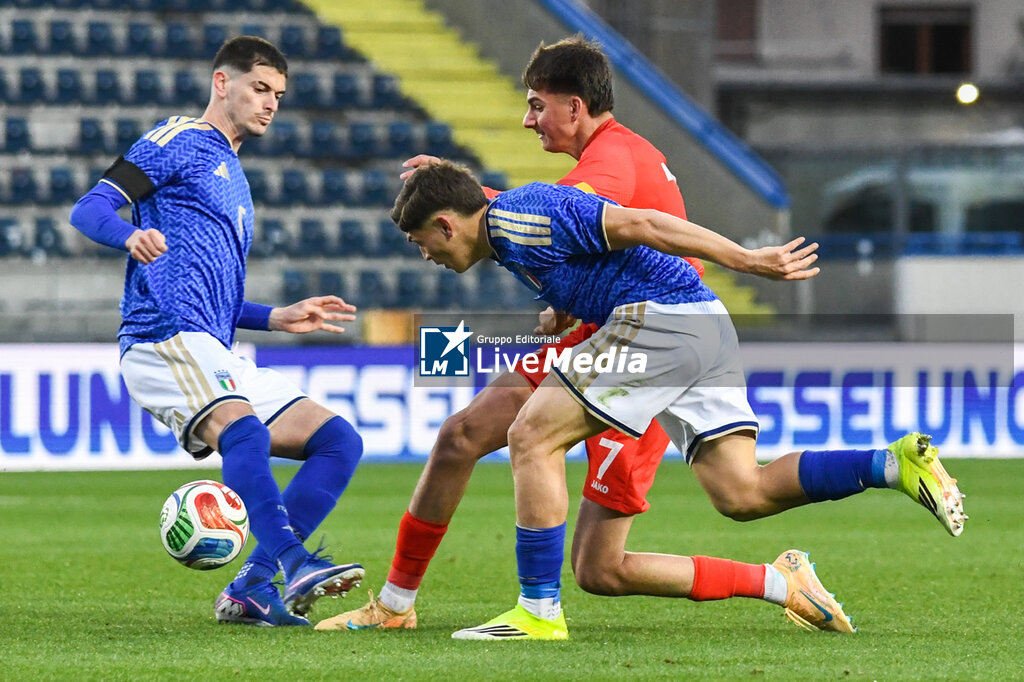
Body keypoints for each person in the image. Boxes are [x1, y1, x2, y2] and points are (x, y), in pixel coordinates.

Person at [378, 160, 966, 640]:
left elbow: (643, 225)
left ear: (447, 224)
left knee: (532, 437)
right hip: (701, 324)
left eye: (420, 241)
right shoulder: (506, 236)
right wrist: (568, 302)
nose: (424, 254)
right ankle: (891, 464)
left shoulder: (525, 217)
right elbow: (591, 261)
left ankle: (537, 611)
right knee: (743, 492)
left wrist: (747, 259)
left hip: (661, 321)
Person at [317, 36, 713, 633]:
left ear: (574, 107)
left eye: (536, 106)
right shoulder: (608, 155)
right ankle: (395, 606)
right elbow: (539, 220)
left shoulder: (610, 164)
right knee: (461, 436)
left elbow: (560, 219)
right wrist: (459, 194)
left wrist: (468, 200)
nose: (527, 120)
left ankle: (779, 577)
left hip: (645, 346)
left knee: (613, 563)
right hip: (598, 334)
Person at [69, 36, 366, 627]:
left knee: (339, 442)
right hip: (161, 339)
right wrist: (127, 235)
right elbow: (90, 208)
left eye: (278, 94)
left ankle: (253, 587)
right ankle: (294, 560)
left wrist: (274, 316)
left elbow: (207, 293)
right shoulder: (178, 139)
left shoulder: (231, 169)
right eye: (260, 88)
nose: (271, 103)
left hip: (208, 341)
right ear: (222, 83)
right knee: (245, 432)